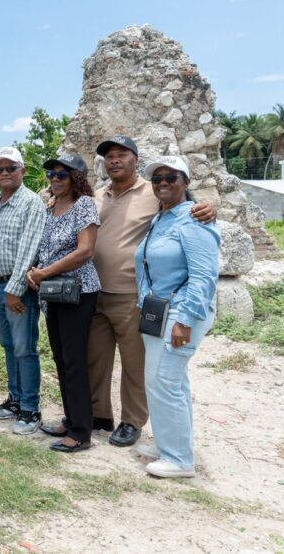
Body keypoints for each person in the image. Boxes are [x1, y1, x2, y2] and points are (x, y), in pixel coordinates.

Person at [89, 136, 217, 448]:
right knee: (96, 359)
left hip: (133, 295)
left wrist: (208, 209)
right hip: (95, 291)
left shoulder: (154, 191)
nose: (114, 160)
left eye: (122, 154)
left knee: (136, 364)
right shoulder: (97, 195)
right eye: (109, 156)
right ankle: (99, 415)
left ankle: (132, 421)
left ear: (136, 159)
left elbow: (186, 211)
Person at [134, 156, 220, 478]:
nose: (163, 183)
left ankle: (179, 460)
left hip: (181, 312)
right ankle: (169, 444)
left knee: (164, 381)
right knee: (166, 382)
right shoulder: (161, 218)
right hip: (159, 310)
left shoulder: (194, 219)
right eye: (157, 179)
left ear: (186, 182)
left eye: (171, 177)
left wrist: (185, 321)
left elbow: (204, 276)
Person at [26, 155, 100, 452]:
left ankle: (81, 432)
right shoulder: (50, 207)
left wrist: (44, 272)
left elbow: (85, 251)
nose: (55, 179)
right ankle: (70, 420)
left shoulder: (84, 205)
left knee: (74, 361)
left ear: (76, 178)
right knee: (61, 358)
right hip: (54, 292)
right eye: (51, 175)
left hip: (78, 291)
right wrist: (34, 272)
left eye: (62, 175)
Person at [0, 146, 47, 434]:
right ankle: (15, 399)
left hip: (17, 288)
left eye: (11, 168)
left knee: (24, 348)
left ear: (22, 171)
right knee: (8, 346)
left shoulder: (30, 202)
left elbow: (28, 249)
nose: (5, 173)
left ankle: (31, 409)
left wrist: (15, 289)